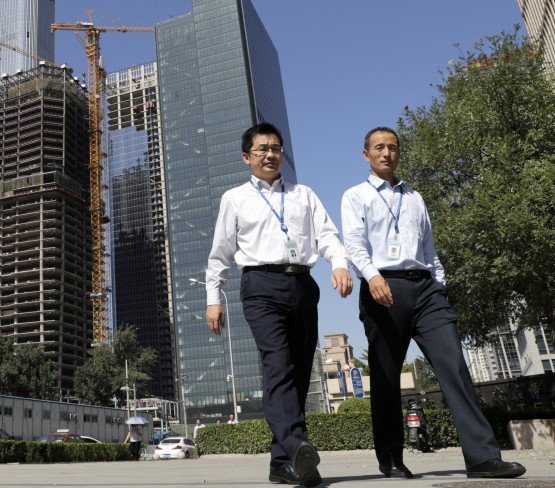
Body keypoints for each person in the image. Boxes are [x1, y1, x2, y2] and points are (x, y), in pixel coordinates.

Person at [340, 127, 526, 480]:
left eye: (392, 147)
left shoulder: (415, 197)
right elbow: (353, 243)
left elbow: (429, 249)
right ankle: (392, 459)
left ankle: (483, 458)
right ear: (366, 154)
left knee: (454, 365)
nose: (386, 153)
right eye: (379, 147)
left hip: (426, 291)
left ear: (399, 153)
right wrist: (372, 276)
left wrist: (438, 285)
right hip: (383, 288)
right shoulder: (355, 196)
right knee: (385, 375)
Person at [206, 122, 353, 487]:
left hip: (303, 283)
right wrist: (213, 299)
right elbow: (220, 254)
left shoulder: (304, 194)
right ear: (247, 158)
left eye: (276, 148)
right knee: (279, 366)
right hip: (260, 285)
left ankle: (280, 463)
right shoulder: (235, 198)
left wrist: (338, 264)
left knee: (300, 372)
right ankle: (298, 444)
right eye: (262, 149)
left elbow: (328, 235)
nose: (270, 154)